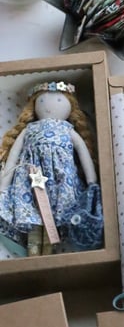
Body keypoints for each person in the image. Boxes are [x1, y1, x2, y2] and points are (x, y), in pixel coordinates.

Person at [0, 81, 97, 255]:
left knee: (57, 213)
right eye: (42, 101)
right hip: (29, 180)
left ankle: (48, 251)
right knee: (32, 210)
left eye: (60, 100)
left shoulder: (68, 129)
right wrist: (4, 184)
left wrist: (92, 182)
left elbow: (83, 152)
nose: (50, 106)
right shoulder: (29, 129)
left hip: (62, 180)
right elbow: (14, 153)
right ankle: (33, 248)